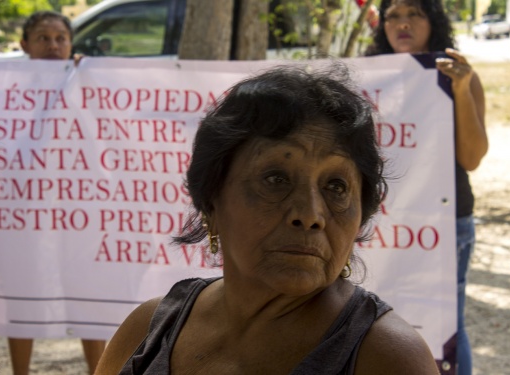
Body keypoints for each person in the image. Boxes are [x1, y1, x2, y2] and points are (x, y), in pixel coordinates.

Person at [93, 64, 440, 374]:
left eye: (336, 186)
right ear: (211, 202)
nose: (309, 215)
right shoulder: (150, 330)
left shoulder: (387, 358)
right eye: (276, 180)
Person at [365, 1, 488, 374]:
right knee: (375, 322)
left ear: (433, 21)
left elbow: (472, 157)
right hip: (381, 224)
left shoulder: (459, 73)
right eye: (393, 16)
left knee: (445, 328)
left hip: (446, 220)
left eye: (414, 14)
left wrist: (461, 87)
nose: (403, 24)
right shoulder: (368, 77)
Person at [8, 10, 105, 375]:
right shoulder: (2, 87)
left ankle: (99, 370)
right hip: (23, 209)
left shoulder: (87, 78)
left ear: (71, 43)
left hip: (78, 206)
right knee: (22, 292)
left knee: (86, 292)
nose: (53, 45)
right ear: (24, 45)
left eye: (60, 38)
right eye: (43, 38)